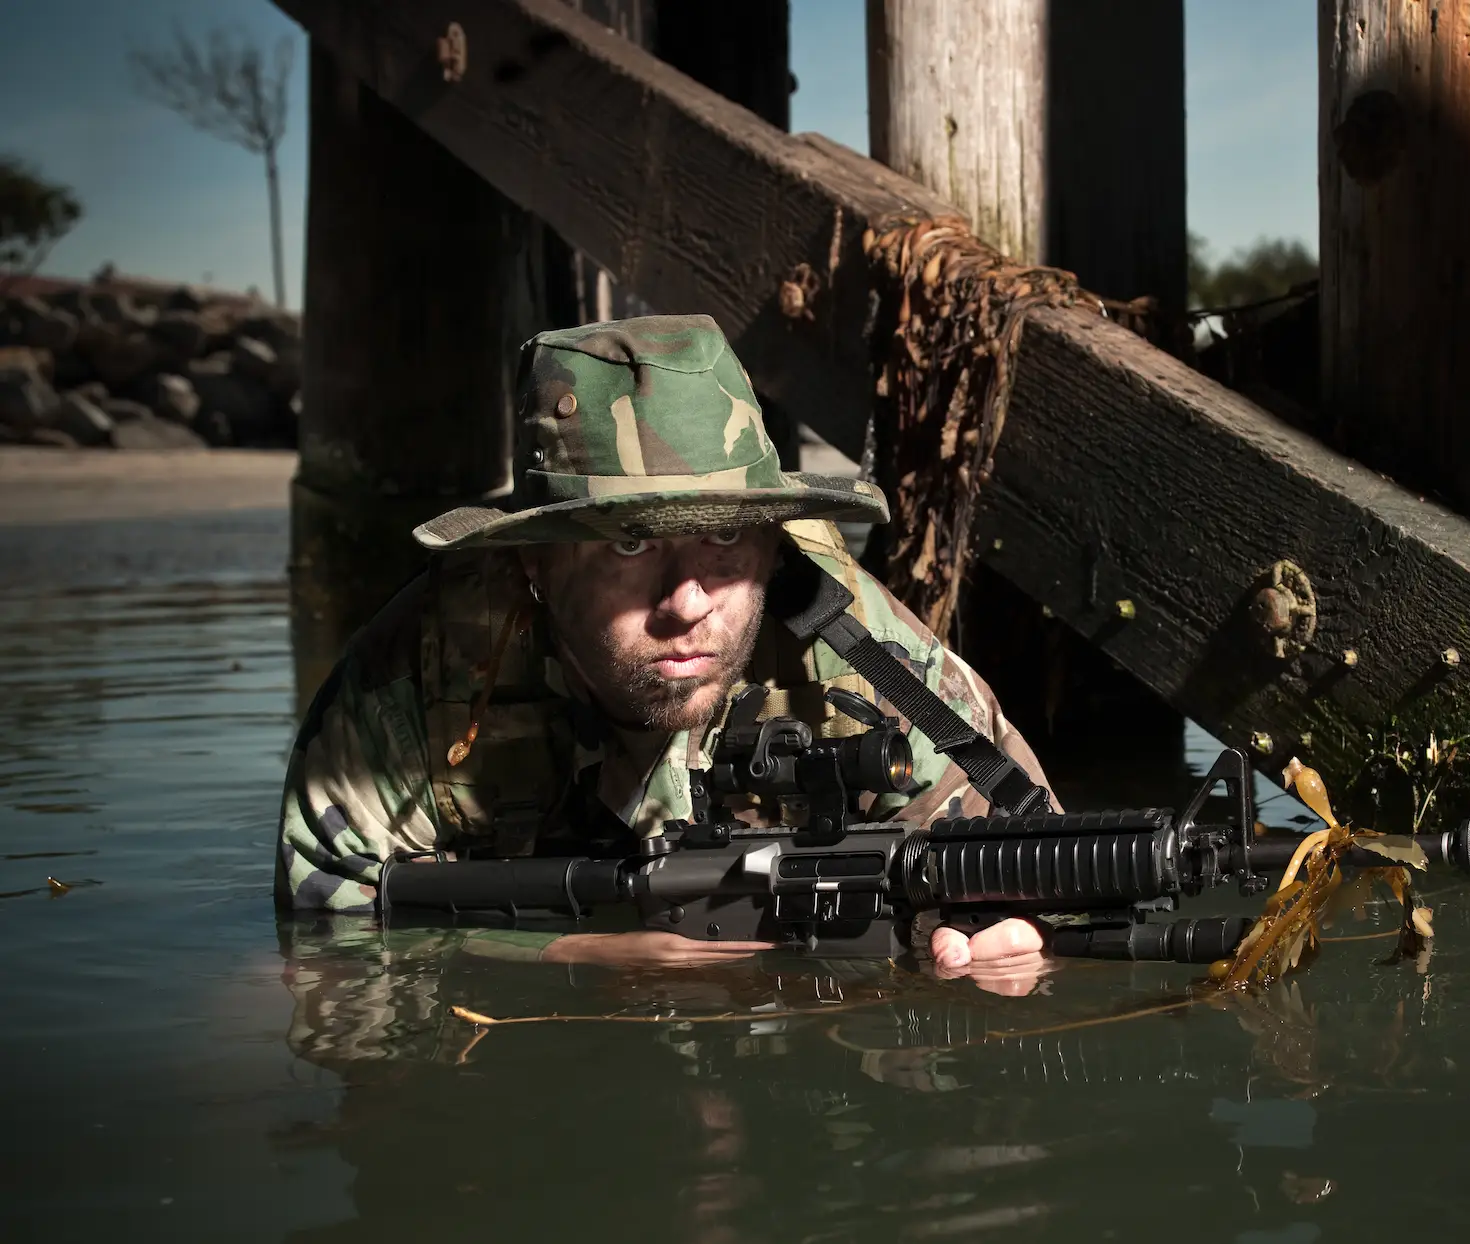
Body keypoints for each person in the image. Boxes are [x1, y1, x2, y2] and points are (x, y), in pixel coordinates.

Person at [276, 314, 1048, 984]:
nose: (687, 601)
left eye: (723, 537)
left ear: (775, 546)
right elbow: (324, 922)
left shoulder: (866, 660)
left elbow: (1027, 838)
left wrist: (997, 929)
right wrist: (563, 956)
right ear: (535, 561)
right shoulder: (418, 679)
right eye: (631, 543)